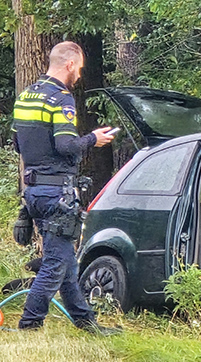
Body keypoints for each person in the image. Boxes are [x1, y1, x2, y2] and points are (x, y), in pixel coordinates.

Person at [11, 41, 116, 334]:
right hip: (56, 193)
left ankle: (86, 322)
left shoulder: (26, 96)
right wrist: (94, 139)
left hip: (33, 191)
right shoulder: (60, 98)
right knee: (55, 263)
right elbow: (67, 145)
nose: (79, 75)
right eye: (79, 69)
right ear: (70, 65)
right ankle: (30, 323)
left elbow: (18, 143)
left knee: (67, 263)